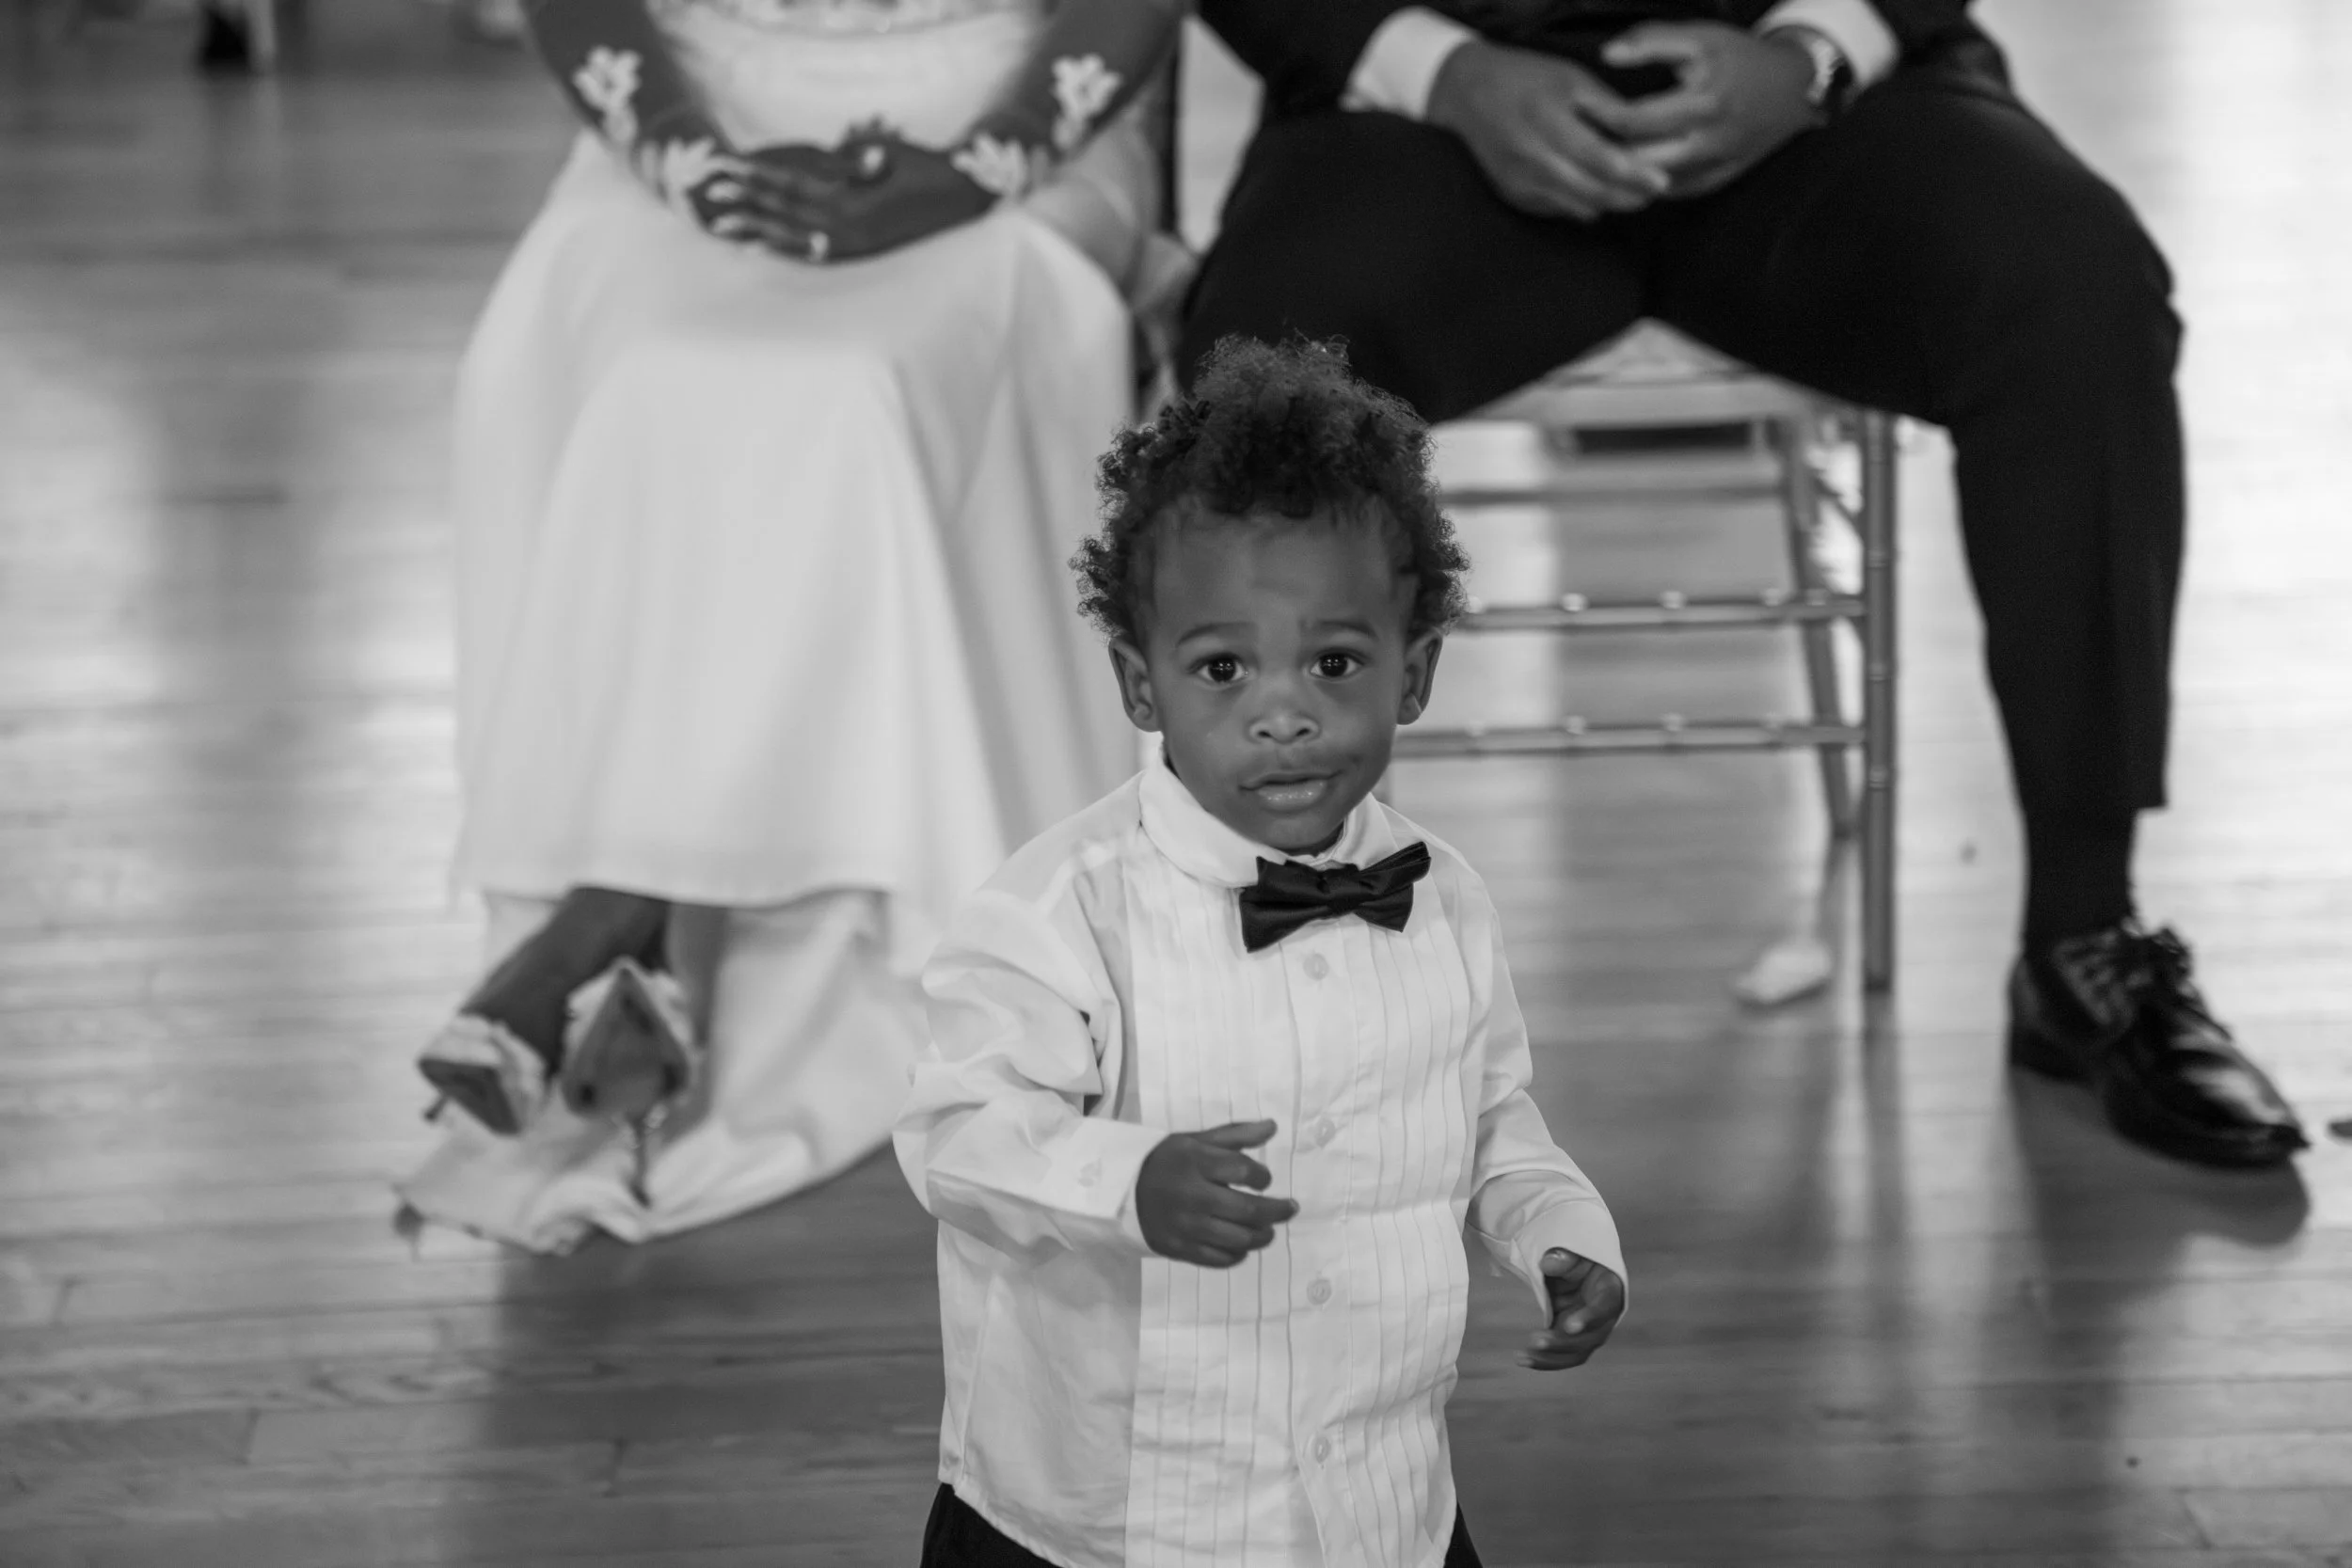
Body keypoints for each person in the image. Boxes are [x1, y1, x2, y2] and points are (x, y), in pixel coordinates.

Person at [1179, 0, 2309, 1170]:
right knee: (1261, 366)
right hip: (1427, 127)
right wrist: (1442, 70)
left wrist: (1809, 55)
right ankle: (1286, 948)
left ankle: (2084, 936)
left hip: (1820, 117)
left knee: (2076, 287)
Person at [397, 0, 1187, 1252]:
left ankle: (613, 910)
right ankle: (652, 925)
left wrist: (979, 165)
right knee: (635, 376)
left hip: (1004, 138)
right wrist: (687, 156)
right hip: (689, 130)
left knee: (842, 393)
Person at [895, 339, 1629, 1568]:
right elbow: (956, 1134)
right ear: (1141, 683)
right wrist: (1125, 1180)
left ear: (1414, 672)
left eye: (1333, 662)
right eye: (1222, 666)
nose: (1281, 712)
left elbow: (1493, 1117)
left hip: (1377, 1502)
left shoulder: (1444, 899)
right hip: (1110, 1514)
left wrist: (1559, 1227)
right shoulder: (1059, 911)